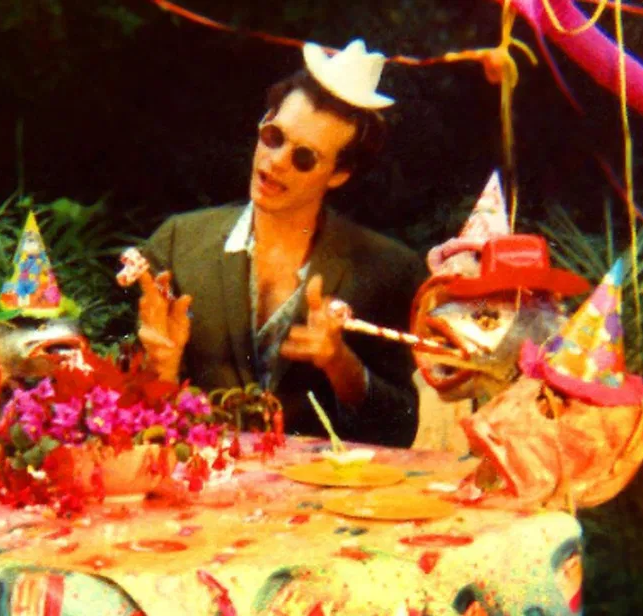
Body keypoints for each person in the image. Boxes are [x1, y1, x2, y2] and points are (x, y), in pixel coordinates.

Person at [134, 40, 426, 446]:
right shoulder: (177, 243)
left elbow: (400, 431)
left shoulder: (388, 270)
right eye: (274, 137)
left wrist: (340, 363)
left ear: (339, 174)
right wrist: (161, 367)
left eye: (304, 157)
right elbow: (129, 416)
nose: (276, 161)